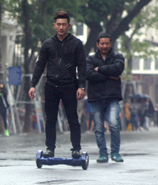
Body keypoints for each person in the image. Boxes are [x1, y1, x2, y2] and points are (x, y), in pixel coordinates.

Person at [29, 11, 86, 158]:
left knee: (72, 118)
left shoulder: (76, 43)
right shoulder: (48, 44)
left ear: (69, 26)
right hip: (51, 85)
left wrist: (81, 86)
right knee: (50, 119)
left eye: (64, 24)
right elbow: (40, 65)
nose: (61, 27)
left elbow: (82, 66)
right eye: (58, 24)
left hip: (69, 86)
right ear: (54, 25)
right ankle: (50, 148)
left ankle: (76, 149)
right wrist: (33, 84)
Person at [85, 32, 125, 163]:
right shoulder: (90, 59)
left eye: (107, 43)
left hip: (112, 96)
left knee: (114, 124)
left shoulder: (118, 56)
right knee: (98, 127)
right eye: (102, 43)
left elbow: (118, 69)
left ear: (111, 43)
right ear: (97, 44)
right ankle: (103, 153)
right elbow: (89, 74)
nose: (104, 46)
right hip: (96, 97)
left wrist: (99, 69)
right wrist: (109, 75)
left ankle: (115, 153)